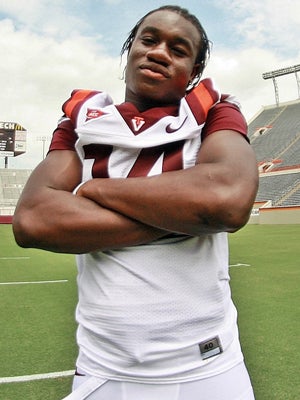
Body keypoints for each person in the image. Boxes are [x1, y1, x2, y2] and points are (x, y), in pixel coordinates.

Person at [13, 5, 258, 400]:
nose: (159, 52)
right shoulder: (81, 122)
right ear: (130, 50)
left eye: (178, 49)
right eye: (149, 39)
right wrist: (185, 216)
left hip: (208, 366)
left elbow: (226, 200)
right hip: (104, 369)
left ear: (194, 73)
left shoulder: (215, 112)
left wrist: (95, 190)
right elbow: (33, 221)